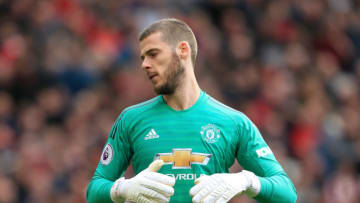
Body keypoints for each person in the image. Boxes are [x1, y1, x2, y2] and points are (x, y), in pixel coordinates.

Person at [87, 18, 297, 203]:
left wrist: (246, 181)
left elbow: (287, 193)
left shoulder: (234, 122)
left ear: (183, 50)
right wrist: (121, 189)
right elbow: (94, 191)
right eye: (143, 57)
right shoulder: (130, 119)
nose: (145, 64)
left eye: (153, 54)